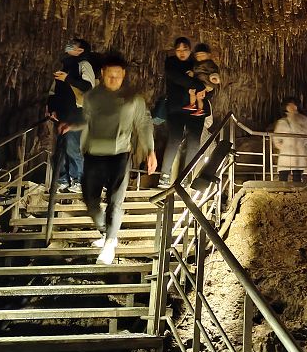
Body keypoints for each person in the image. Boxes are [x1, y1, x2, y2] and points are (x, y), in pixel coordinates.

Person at [59, 53, 156, 265]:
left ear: (124, 75)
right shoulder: (92, 97)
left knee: (115, 201)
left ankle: (110, 242)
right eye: (110, 75)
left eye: (118, 76)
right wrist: (72, 125)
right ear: (102, 74)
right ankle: (106, 231)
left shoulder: (132, 99)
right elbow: (88, 119)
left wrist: (150, 150)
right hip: (94, 154)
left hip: (119, 154)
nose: (114, 79)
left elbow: (143, 123)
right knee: (91, 201)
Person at [46, 38, 97, 193]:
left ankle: (78, 179)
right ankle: (62, 179)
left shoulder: (84, 65)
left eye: (72, 46)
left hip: (78, 112)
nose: (68, 46)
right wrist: (52, 108)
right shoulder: (64, 67)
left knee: (73, 147)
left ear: (80, 50)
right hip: (62, 113)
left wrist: (67, 79)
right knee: (61, 148)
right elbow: (53, 91)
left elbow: (88, 86)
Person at [160, 37, 207, 184]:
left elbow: (208, 82)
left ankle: (186, 176)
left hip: (196, 108)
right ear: (174, 50)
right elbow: (178, 78)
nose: (181, 52)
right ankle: (165, 175)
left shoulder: (196, 63)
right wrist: (199, 86)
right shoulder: (171, 63)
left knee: (193, 142)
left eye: (185, 49)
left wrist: (205, 91)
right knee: (175, 138)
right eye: (178, 49)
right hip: (177, 107)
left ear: (190, 50)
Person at [272, 97, 307, 182]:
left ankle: (297, 189)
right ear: (285, 107)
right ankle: (282, 189)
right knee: (283, 174)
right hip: (286, 150)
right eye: (289, 105)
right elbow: (276, 138)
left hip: (298, 150)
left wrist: (301, 142)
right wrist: (283, 146)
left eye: (293, 104)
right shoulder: (282, 122)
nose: (292, 107)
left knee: (297, 174)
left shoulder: (303, 119)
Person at [182, 43, 221, 117]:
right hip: (198, 82)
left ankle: (200, 109)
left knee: (199, 96)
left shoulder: (209, 64)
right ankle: (192, 104)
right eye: (197, 56)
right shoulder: (196, 64)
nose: (200, 57)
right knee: (192, 91)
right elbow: (195, 72)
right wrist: (191, 73)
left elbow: (214, 73)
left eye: (202, 55)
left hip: (207, 84)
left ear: (209, 55)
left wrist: (214, 78)